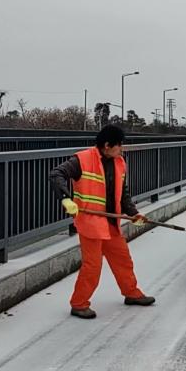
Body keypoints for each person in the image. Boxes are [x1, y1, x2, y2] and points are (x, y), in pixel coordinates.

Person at [49, 125, 155, 319]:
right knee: (93, 266)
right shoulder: (82, 160)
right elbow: (56, 174)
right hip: (90, 224)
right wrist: (66, 199)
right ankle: (79, 304)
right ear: (107, 145)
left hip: (111, 223)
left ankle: (131, 293)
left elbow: (123, 194)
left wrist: (134, 213)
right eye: (119, 145)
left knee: (123, 260)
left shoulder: (119, 162)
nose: (121, 149)